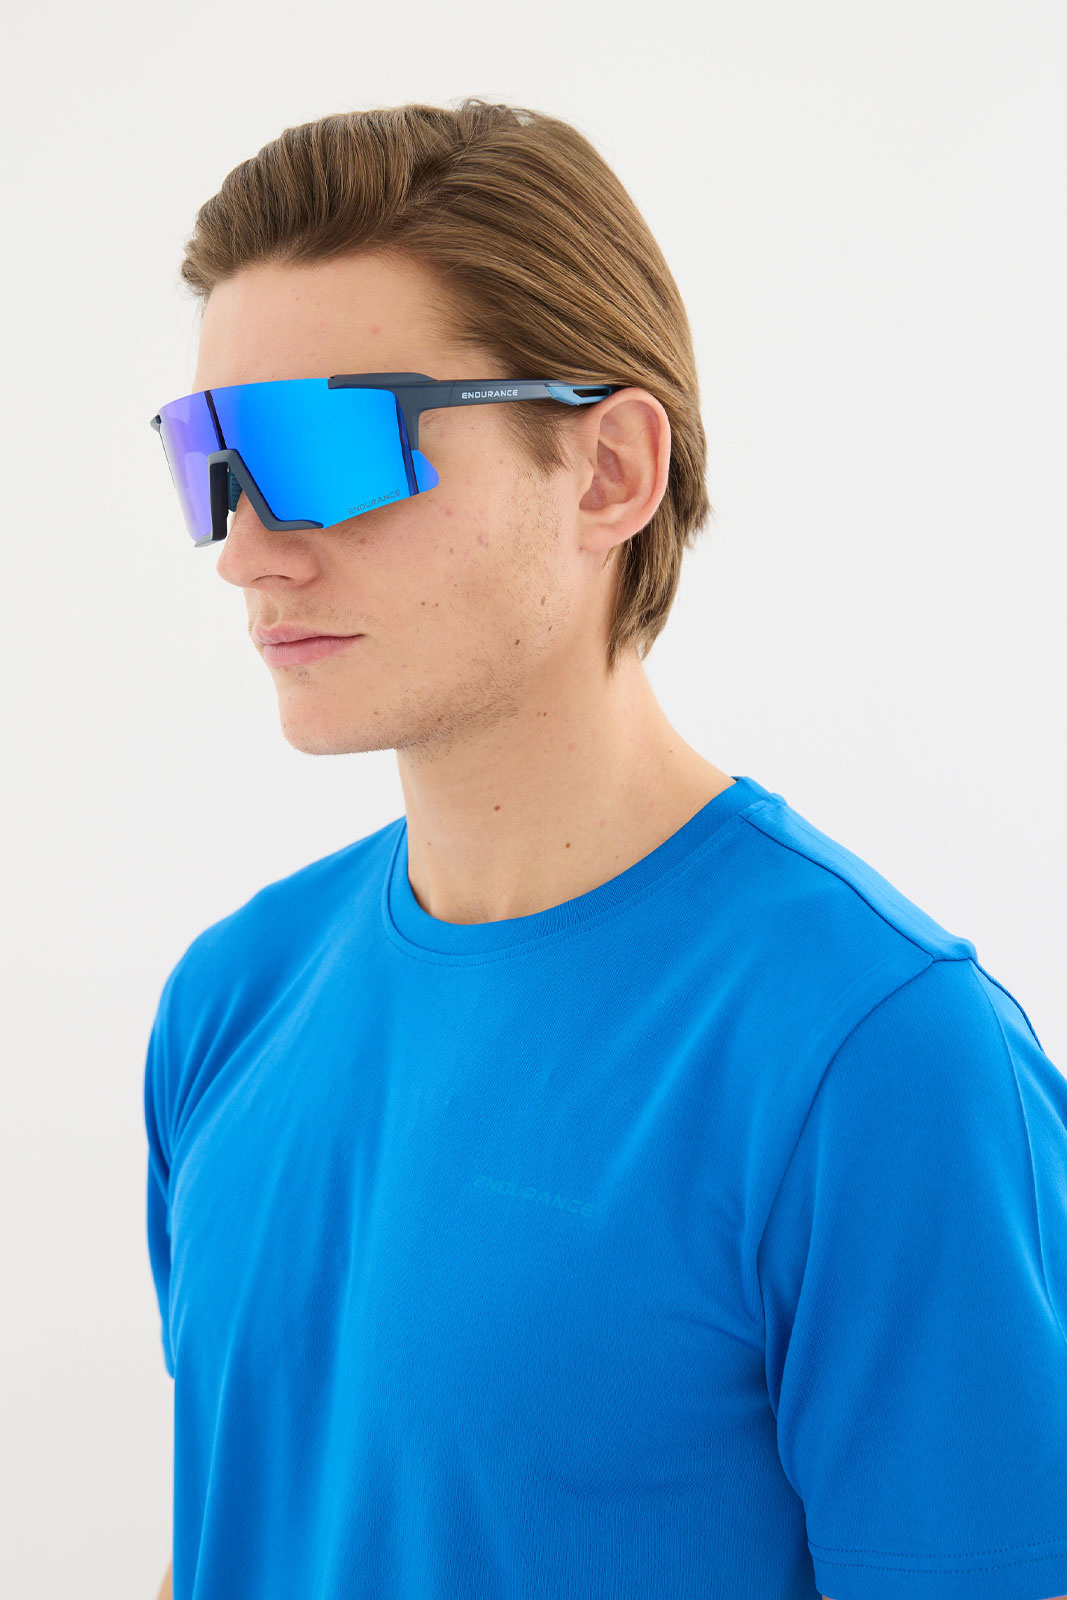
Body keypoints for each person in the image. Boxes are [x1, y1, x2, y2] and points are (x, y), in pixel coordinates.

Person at [143, 99, 1067, 1600]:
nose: (245, 546)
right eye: (216, 459)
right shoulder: (227, 1002)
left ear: (610, 472)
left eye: (322, 445)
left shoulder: (881, 1062)